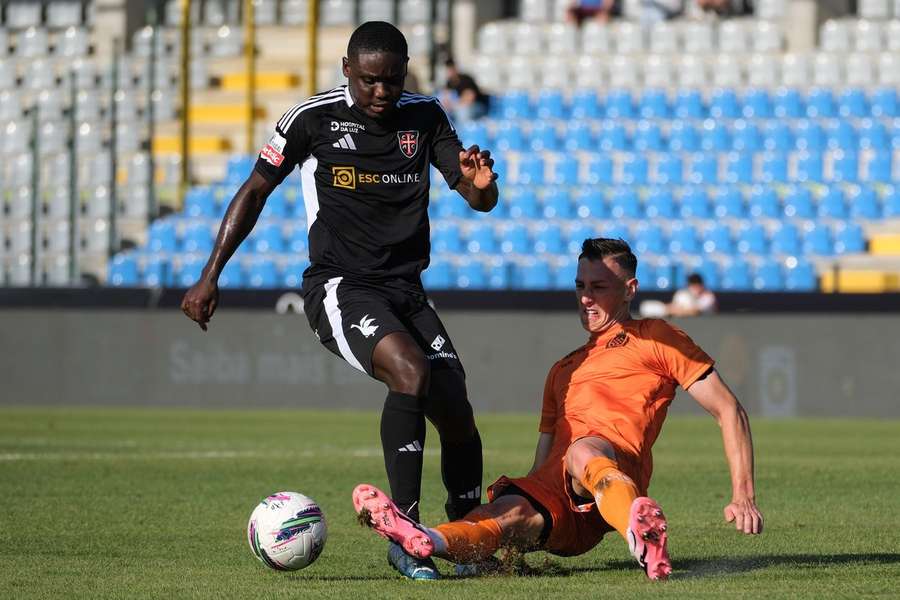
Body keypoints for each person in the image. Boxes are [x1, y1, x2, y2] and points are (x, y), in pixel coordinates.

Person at [180, 21, 499, 580]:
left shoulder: (424, 116)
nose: (382, 92)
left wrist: (483, 184)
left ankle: (465, 534)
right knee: (411, 370)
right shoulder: (310, 119)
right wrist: (210, 275)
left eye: (392, 80)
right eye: (371, 80)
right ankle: (404, 535)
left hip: (405, 290)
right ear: (347, 69)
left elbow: (478, 197)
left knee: (456, 407)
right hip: (339, 287)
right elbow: (255, 190)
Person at [353, 238, 763, 580]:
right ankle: (424, 539)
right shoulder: (563, 369)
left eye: (599, 286)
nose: (586, 297)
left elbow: (729, 410)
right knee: (498, 515)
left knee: (583, 451)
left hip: (615, 471)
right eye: (580, 285)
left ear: (630, 289)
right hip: (563, 504)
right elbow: (541, 463)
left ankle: (638, 533)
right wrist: (522, 510)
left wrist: (743, 495)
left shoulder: (658, 337)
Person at [441, 58, 489, 123]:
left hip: (478, 105)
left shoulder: (465, 79)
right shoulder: (449, 82)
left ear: (455, 68)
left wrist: (454, 105)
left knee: (463, 111)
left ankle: (463, 131)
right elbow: (445, 98)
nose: (449, 72)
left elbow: (470, 98)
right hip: (462, 106)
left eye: (451, 69)